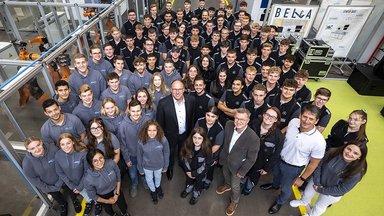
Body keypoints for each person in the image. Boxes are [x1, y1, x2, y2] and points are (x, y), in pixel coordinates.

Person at [262, 104, 326, 214]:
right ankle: (274, 185)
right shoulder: (293, 122)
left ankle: (280, 202)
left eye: (311, 119)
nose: (306, 121)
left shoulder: (319, 142)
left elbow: (314, 163)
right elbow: (285, 132)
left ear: (316, 121)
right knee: (276, 175)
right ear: (300, 115)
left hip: (293, 168)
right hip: (279, 159)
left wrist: (302, 179)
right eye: (305, 116)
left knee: (286, 188)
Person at [290, 142, 368, 216]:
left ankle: (311, 214)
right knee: (307, 194)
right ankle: (303, 201)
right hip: (317, 182)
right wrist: (317, 182)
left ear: (360, 157)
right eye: (349, 149)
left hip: (332, 194)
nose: (350, 153)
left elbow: (342, 189)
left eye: (355, 153)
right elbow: (319, 165)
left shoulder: (357, 172)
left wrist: (321, 190)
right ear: (345, 147)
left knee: (319, 206)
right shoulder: (332, 152)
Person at [216, 108, 260, 216]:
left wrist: (242, 172)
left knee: (235, 186)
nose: (238, 121)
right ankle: (227, 185)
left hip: (238, 167)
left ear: (248, 120)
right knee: (225, 174)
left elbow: (251, 159)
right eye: (236, 118)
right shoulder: (228, 124)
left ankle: (234, 202)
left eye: (242, 119)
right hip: (225, 159)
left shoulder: (253, 138)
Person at [156, 80, 196, 180]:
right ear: (171, 90)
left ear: (184, 90)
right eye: (174, 89)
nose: (177, 92)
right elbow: (159, 123)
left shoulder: (191, 100)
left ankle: (182, 164)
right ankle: (170, 168)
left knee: (183, 151)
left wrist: (191, 134)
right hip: (170, 136)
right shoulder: (163, 103)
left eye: (179, 89)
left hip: (185, 134)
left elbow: (193, 118)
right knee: (170, 154)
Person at [22, 137, 70, 216]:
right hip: (49, 186)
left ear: (41, 142)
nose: (37, 149)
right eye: (32, 148)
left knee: (70, 190)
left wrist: (60, 182)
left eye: (38, 145)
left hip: (63, 179)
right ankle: (63, 204)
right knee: (57, 196)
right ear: (28, 150)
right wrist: (49, 188)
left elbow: (63, 165)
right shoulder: (27, 164)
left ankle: (75, 200)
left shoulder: (53, 149)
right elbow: (34, 179)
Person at [242, 107, 283, 195]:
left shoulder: (278, 136)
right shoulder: (254, 124)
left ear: (276, 120)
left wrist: (267, 168)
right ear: (263, 114)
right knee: (243, 173)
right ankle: (242, 182)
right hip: (246, 157)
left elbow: (276, 155)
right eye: (267, 115)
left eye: (272, 117)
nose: (269, 118)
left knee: (252, 179)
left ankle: (248, 188)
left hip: (260, 163)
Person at [118, 100, 151, 197]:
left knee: (144, 170)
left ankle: (144, 179)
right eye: (133, 111)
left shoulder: (147, 121)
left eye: (138, 110)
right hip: (132, 155)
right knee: (132, 174)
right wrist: (127, 159)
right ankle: (134, 184)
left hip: (145, 154)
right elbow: (123, 145)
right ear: (129, 111)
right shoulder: (123, 126)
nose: (136, 113)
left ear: (141, 110)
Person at [84, 149, 131, 216]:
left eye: (101, 158)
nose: (99, 162)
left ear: (103, 157)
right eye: (95, 161)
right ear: (91, 163)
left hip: (115, 189)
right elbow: (92, 195)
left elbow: (118, 176)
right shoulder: (88, 179)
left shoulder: (111, 163)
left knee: (123, 205)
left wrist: (117, 193)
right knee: (108, 209)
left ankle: (124, 213)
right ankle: (113, 214)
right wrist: (108, 201)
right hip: (103, 196)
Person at [55, 133, 92, 215]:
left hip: (86, 181)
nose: (66, 146)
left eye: (68, 143)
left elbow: (87, 171)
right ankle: (90, 202)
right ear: (59, 145)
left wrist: (80, 186)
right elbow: (60, 172)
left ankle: (97, 203)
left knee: (93, 193)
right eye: (62, 144)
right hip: (74, 185)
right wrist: (72, 186)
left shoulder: (82, 153)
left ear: (73, 142)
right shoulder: (58, 155)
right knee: (86, 196)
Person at [137, 120, 170, 204]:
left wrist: (166, 166)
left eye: (154, 130)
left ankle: (158, 187)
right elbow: (139, 156)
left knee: (158, 177)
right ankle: (153, 191)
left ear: (158, 130)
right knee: (149, 179)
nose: (152, 133)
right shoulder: (141, 141)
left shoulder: (163, 139)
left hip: (159, 165)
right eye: (149, 130)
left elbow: (166, 152)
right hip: (147, 167)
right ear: (146, 131)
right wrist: (140, 169)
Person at [180, 127, 212, 205]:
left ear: (203, 139)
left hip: (200, 172)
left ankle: (196, 193)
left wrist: (195, 173)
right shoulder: (187, 144)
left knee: (199, 183)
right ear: (191, 137)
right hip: (189, 170)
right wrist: (188, 171)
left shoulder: (207, 149)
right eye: (194, 137)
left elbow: (206, 164)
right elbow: (184, 158)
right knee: (189, 180)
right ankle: (189, 187)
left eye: (199, 138)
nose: (196, 140)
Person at [195, 106, 224, 189]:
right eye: (208, 115)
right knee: (198, 166)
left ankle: (208, 180)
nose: (209, 119)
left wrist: (205, 154)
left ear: (217, 117)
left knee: (209, 168)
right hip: (198, 149)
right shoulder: (199, 121)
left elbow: (217, 145)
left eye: (213, 116)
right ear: (205, 114)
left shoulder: (219, 129)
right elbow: (194, 135)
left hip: (211, 153)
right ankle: (199, 178)